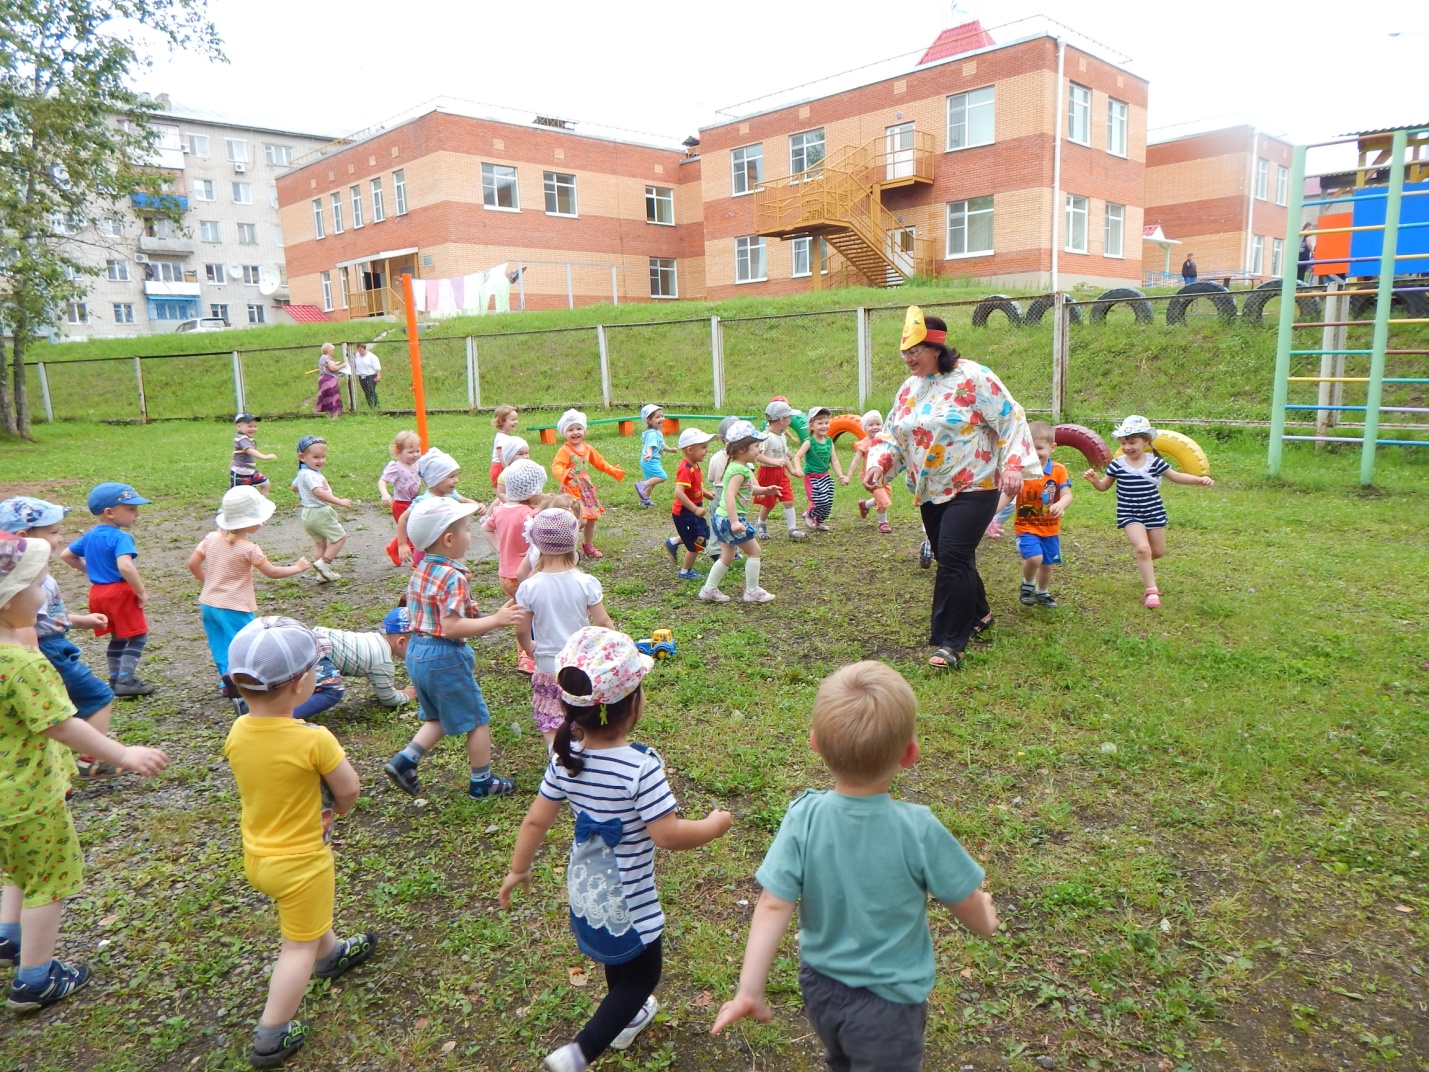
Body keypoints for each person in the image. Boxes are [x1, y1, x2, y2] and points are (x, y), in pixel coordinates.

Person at [711, 661, 999, 1070]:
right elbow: (965, 899)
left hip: (820, 988)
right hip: (891, 1005)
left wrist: (749, 990)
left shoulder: (803, 816)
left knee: (841, 1056)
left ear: (814, 743)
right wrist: (986, 918)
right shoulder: (918, 828)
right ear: (911, 754)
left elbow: (774, 905)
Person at [499, 626, 732, 1072]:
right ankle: (579, 1053)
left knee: (616, 959)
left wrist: (518, 869)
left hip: (587, 887)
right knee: (643, 974)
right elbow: (668, 835)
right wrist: (713, 825)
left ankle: (626, 1019)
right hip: (629, 895)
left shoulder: (564, 758)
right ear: (634, 704)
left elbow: (535, 820)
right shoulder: (640, 767)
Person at [0, 533, 168, 1012]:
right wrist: (122, 753)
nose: (44, 593)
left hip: (4, 803)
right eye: (36, 585)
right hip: (29, 796)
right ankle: (34, 978)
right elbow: (61, 724)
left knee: (17, 868)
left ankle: (7, 937)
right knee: (48, 882)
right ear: (11, 599)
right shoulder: (18, 665)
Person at [222, 616, 377, 1067]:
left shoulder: (237, 732)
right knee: (296, 949)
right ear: (298, 685)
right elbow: (348, 789)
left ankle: (331, 952)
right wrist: (343, 808)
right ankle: (272, 1032)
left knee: (304, 922)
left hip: (258, 853)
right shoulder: (315, 739)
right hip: (303, 860)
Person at [863, 306, 1039, 671]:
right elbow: (893, 435)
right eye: (905, 352)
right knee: (948, 555)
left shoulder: (973, 377)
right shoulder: (909, 389)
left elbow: (1010, 418)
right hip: (930, 486)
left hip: (975, 481)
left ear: (937, 349)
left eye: (916, 351)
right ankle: (982, 613)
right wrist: (879, 463)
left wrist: (1014, 464)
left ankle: (951, 642)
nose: (909, 358)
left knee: (954, 558)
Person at [382, 497, 525, 801]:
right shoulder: (453, 576)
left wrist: (471, 609)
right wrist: (496, 620)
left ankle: (405, 760)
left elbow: (432, 612)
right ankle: (481, 782)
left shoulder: (420, 570)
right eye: (466, 530)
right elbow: (451, 627)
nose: (470, 535)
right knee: (477, 720)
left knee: (437, 717)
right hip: (444, 655)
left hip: (417, 653)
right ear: (449, 539)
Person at [0, 496, 117, 779]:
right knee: (98, 696)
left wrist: (79, 621)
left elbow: (45, 618)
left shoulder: (30, 576)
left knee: (50, 709)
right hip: (46, 651)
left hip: (52, 644)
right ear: (23, 536)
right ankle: (93, 759)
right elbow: (29, 627)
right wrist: (34, 661)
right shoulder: (22, 582)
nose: (60, 538)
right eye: (53, 532)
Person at [187, 486, 311, 706]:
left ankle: (227, 681)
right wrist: (297, 567)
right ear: (251, 522)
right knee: (244, 646)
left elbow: (192, 563)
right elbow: (272, 572)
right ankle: (243, 686)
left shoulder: (211, 538)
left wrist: (209, 583)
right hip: (235, 606)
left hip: (209, 604)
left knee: (220, 644)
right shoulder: (248, 548)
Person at [1082, 415, 1214, 609]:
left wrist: (1199, 479)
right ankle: (1151, 590)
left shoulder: (1155, 463)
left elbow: (1176, 477)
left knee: (1157, 551)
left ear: (1146, 441)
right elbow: (1104, 487)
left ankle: (1144, 562)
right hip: (1129, 514)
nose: (1127, 447)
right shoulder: (1117, 465)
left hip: (1154, 512)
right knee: (1143, 549)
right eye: (1124, 442)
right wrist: (1095, 481)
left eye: (1132, 442)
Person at [515, 510, 615, 748]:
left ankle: (556, 759)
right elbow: (603, 622)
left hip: (548, 663)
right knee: (580, 715)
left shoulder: (528, 587)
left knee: (551, 719)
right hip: (580, 663)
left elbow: (521, 629)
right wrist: (615, 645)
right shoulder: (586, 582)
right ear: (573, 542)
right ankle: (582, 755)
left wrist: (529, 648)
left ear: (537, 543)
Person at [60, 482, 155, 696]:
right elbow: (125, 565)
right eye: (131, 509)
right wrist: (140, 591)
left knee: (118, 636)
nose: (136, 514)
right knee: (137, 636)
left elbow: (66, 555)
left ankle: (115, 678)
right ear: (110, 513)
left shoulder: (90, 535)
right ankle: (126, 680)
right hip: (120, 592)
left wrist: (91, 570)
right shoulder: (121, 537)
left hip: (98, 592)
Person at [700, 420, 778, 605]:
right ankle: (752, 591)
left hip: (721, 518)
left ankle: (709, 589)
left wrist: (766, 490)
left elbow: (748, 490)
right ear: (742, 449)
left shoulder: (737, 467)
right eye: (756, 447)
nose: (759, 451)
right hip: (729, 519)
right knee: (755, 551)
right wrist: (735, 522)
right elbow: (729, 496)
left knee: (727, 556)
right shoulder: (738, 470)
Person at [483, 458, 548, 675]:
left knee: (521, 613)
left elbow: (486, 528)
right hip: (525, 575)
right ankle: (529, 656)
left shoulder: (500, 510)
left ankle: (527, 654)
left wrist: (501, 549)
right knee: (531, 615)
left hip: (505, 576)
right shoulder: (529, 514)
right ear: (531, 492)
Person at [999, 421, 1071, 608]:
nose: (1034, 453)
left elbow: (1067, 494)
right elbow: (1008, 495)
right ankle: (1027, 585)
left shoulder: (1058, 471)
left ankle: (1042, 592)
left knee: (1047, 565)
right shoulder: (1021, 471)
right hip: (1026, 527)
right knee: (1035, 558)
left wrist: (1061, 504)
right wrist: (990, 513)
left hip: (1050, 528)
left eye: (1039, 448)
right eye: (1029, 448)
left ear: (1052, 447)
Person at [310, 608, 420, 718]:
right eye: (419, 645)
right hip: (319, 651)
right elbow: (389, 699)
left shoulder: (372, 638)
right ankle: (293, 718)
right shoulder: (382, 661)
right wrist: (406, 695)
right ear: (401, 642)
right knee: (332, 691)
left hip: (311, 638)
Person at [551, 409, 626, 560]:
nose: (575, 432)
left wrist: (614, 471)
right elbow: (556, 466)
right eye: (570, 429)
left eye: (579, 428)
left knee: (591, 518)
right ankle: (564, 545)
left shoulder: (588, 448)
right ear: (564, 433)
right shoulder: (565, 450)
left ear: (584, 430)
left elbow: (600, 463)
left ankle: (588, 546)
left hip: (586, 489)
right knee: (580, 520)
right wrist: (565, 474)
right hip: (572, 489)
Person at [395, 448, 484, 567]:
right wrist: (402, 544)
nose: (456, 480)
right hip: (427, 552)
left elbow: (466, 501)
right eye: (451, 476)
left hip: (444, 548)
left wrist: (476, 506)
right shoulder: (425, 501)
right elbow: (403, 518)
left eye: (456, 475)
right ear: (435, 479)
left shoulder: (451, 494)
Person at [291, 436, 351, 582]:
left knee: (320, 544)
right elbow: (318, 493)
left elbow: (293, 488)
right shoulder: (311, 475)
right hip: (320, 512)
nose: (321, 461)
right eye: (316, 457)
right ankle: (325, 563)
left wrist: (304, 490)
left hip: (307, 514)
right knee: (339, 538)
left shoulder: (302, 473)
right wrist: (339, 501)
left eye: (323, 457)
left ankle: (321, 574)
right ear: (302, 457)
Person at [663, 428, 716, 581]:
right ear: (690, 449)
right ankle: (685, 572)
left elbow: (695, 485)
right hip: (685, 513)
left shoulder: (694, 465)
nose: (706, 451)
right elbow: (679, 493)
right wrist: (695, 509)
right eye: (703, 447)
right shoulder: (686, 469)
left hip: (692, 511)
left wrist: (705, 493)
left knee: (703, 534)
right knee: (696, 542)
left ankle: (672, 542)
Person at [752, 400, 806, 540]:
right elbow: (757, 455)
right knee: (768, 503)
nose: (790, 420)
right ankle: (761, 524)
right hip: (768, 474)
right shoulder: (766, 437)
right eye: (789, 417)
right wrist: (774, 461)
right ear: (782, 420)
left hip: (781, 474)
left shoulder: (781, 435)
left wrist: (792, 470)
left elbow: (783, 455)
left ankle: (792, 529)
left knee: (788, 500)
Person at [379, 430, 423, 568]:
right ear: (398, 452)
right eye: (410, 452)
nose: (415, 454)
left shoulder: (417, 464)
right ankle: (418, 562)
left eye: (417, 450)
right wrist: (385, 494)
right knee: (413, 532)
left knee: (410, 530)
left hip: (415, 503)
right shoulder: (396, 466)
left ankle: (393, 549)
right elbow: (382, 481)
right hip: (401, 505)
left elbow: (422, 478)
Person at [795, 406, 843, 531]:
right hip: (812, 477)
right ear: (811, 426)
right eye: (820, 423)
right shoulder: (809, 442)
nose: (824, 426)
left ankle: (819, 521)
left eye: (826, 423)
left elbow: (834, 460)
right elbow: (798, 456)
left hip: (825, 476)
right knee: (820, 500)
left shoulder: (829, 442)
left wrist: (840, 476)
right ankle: (809, 514)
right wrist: (798, 469)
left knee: (828, 502)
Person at [848, 410, 893, 533]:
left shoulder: (884, 440)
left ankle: (865, 505)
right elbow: (855, 461)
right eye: (871, 425)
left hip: (885, 475)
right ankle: (882, 523)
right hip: (871, 477)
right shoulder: (864, 444)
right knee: (883, 501)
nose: (875, 427)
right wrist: (848, 476)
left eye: (878, 424)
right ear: (864, 427)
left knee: (887, 497)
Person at [704, 416, 741, 564]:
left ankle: (716, 550)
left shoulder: (715, 457)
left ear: (721, 438)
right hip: (737, 494)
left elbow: (711, 478)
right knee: (734, 521)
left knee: (716, 522)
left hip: (717, 492)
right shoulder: (742, 458)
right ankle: (732, 551)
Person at [634, 404, 675, 508]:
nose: (661, 419)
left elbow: (661, 445)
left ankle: (645, 501)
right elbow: (650, 446)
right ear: (649, 420)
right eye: (657, 417)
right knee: (661, 476)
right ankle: (642, 485)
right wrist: (649, 454)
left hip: (649, 460)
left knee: (652, 482)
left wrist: (670, 449)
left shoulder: (655, 432)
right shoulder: (652, 434)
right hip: (650, 460)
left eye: (662, 416)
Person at [230, 413, 277, 496]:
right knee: (237, 495)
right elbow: (249, 450)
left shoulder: (245, 437)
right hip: (241, 473)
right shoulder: (242, 438)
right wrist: (264, 457)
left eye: (255, 426)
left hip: (250, 471)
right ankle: (229, 508)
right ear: (239, 426)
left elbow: (235, 451)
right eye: (250, 426)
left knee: (265, 484)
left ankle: (260, 504)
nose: (253, 429)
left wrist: (232, 461)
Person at [490, 405, 520, 488]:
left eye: (516, 419)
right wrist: (508, 469)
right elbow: (500, 456)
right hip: (500, 467)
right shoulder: (502, 438)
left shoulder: (505, 436)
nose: (516, 422)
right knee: (503, 493)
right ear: (502, 421)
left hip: (502, 467)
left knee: (504, 494)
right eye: (513, 419)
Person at [315, 343, 344, 420]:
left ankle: (329, 415)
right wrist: (343, 365)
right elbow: (333, 368)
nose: (333, 352)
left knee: (326, 398)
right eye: (332, 350)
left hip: (323, 380)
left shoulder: (322, 358)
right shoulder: (327, 358)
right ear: (328, 350)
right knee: (332, 397)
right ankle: (334, 416)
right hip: (329, 380)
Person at [351, 342, 381, 409]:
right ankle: (371, 406)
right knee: (366, 393)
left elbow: (377, 367)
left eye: (360, 349)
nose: (359, 351)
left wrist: (378, 375)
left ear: (364, 349)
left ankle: (377, 406)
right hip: (362, 377)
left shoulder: (372, 357)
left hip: (370, 376)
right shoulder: (356, 356)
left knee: (371, 391)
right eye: (358, 349)